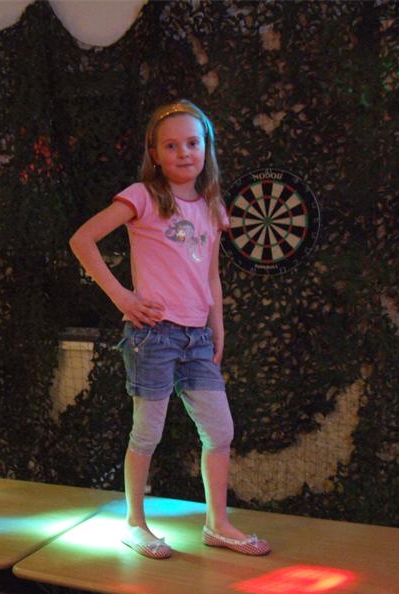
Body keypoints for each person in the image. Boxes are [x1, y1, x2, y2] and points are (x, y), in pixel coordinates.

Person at [69, 99, 270, 560]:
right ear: (155, 153)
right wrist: (123, 297)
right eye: (172, 145)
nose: (184, 152)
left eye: (193, 143)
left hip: (198, 339)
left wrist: (217, 326)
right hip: (153, 336)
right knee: (148, 433)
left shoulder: (212, 205)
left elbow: (211, 274)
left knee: (220, 431)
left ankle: (217, 523)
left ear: (207, 148)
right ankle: (134, 522)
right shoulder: (142, 196)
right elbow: (82, 239)